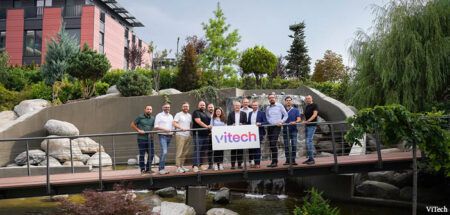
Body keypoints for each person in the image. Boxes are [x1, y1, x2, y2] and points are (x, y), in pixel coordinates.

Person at [130, 106, 155, 174]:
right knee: (142, 154)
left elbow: (154, 126)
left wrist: (153, 132)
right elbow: (132, 124)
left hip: (150, 139)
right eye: (148, 109)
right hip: (141, 139)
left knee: (151, 154)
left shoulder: (153, 118)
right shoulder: (140, 117)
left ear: (151, 110)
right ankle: (142, 169)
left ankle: (148, 169)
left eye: (150, 109)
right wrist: (138, 130)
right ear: (145, 110)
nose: (149, 110)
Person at [265, 93, 288, 167]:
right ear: (268, 99)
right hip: (270, 127)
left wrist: (281, 121)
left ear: (275, 98)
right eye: (270, 98)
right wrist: (270, 122)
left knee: (273, 143)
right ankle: (273, 161)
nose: (271, 99)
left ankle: (275, 161)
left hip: (277, 126)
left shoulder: (280, 105)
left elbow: (286, 115)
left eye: (273, 97)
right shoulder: (267, 107)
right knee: (271, 144)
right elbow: (267, 117)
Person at [154, 103, 174, 174]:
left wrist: (173, 132)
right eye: (165, 107)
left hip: (169, 136)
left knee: (164, 152)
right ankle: (161, 169)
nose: (167, 108)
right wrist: (165, 129)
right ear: (162, 107)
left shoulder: (171, 116)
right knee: (164, 152)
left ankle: (162, 168)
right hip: (162, 135)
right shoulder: (159, 115)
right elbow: (156, 126)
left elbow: (172, 125)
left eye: (168, 107)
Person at [192, 101, 212, 172]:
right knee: (197, 150)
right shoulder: (196, 112)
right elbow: (198, 121)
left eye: (203, 105)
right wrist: (207, 127)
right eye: (201, 105)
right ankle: (195, 166)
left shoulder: (206, 113)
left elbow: (210, 123)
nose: (202, 106)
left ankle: (200, 165)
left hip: (206, 135)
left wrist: (210, 130)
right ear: (198, 105)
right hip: (198, 135)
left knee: (203, 151)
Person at [227, 101, 248, 169]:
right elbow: (228, 124)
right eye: (236, 105)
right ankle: (233, 165)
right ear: (234, 106)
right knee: (233, 150)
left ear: (240, 106)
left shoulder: (244, 114)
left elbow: (246, 123)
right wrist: (231, 125)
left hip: (241, 135)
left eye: (238, 105)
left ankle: (239, 164)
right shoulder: (230, 114)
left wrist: (243, 124)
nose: (237, 107)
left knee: (240, 150)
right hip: (233, 135)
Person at [247, 101, 267, 168]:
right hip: (251, 134)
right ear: (251, 106)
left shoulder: (262, 113)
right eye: (253, 105)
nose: (254, 106)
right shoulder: (250, 113)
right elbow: (248, 123)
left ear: (258, 106)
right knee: (252, 148)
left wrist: (260, 124)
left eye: (256, 105)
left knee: (257, 148)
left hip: (259, 132)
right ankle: (253, 162)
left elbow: (266, 122)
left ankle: (257, 163)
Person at [173, 102, 192, 173]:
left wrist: (189, 133)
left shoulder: (189, 115)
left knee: (185, 152)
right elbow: (174, 123)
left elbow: (189, 125)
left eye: (187, 106)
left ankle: (182, 166)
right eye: (184, 106)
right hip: (180, 135)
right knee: (179, 152)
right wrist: (181, 128)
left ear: (188, 107)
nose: (186, 108)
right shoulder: (178, 114)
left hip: (187, 135)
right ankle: (178, 167)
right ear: (182, 107)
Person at [282, 96, 302, 165]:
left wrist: (295, 122)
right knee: (286, 145)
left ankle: (293, 160)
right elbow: (280, 119)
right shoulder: (283, 110)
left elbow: (299, 119)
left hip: (293, 130)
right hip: (285, 130)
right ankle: (287, 160)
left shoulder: (296, 110)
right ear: (285, 102)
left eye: (289, 100)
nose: (288, 101)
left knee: (294, 145)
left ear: (291, 101)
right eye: (287, 100)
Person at [302, 95, 319, 165]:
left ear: (312, 99)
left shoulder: (315, 105)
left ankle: (312, 159)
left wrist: (308, 121)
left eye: (309, 98)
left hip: (312, 125)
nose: (307, 100)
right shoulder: (307, 106)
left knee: (309, 141)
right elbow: (304, 115)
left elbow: (315, 115)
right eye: (306, 99)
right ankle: (309, 158)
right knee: (307, 141)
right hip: (307, 126)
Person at [206, 103, 215, 170]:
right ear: (207, 108)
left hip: (217, 135)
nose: (210, 108)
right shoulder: (205, 115)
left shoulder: (217, 114)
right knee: (209, 150)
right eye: (209, 107)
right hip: (209, 135)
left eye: (211, 107)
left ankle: (218, 164)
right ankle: (210, 164)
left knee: (218, 150)